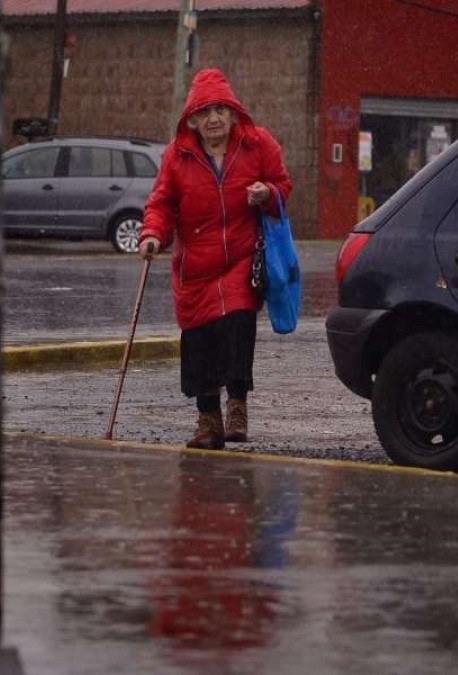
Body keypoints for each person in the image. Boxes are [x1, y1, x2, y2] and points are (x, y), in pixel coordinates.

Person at [138, 67, 292, 450]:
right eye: (205, 112)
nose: (214, 119)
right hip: (196, 267)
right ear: (191, 119)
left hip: (241, 257)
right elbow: (162, 203)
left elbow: (283, 187)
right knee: (200, 343)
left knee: (238, 326)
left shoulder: (258, 144)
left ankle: (237, 407)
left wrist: (267, 193)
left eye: (221, 109)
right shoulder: (178, 156)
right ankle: (208, 422)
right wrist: (153, 234)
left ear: (234, 112)